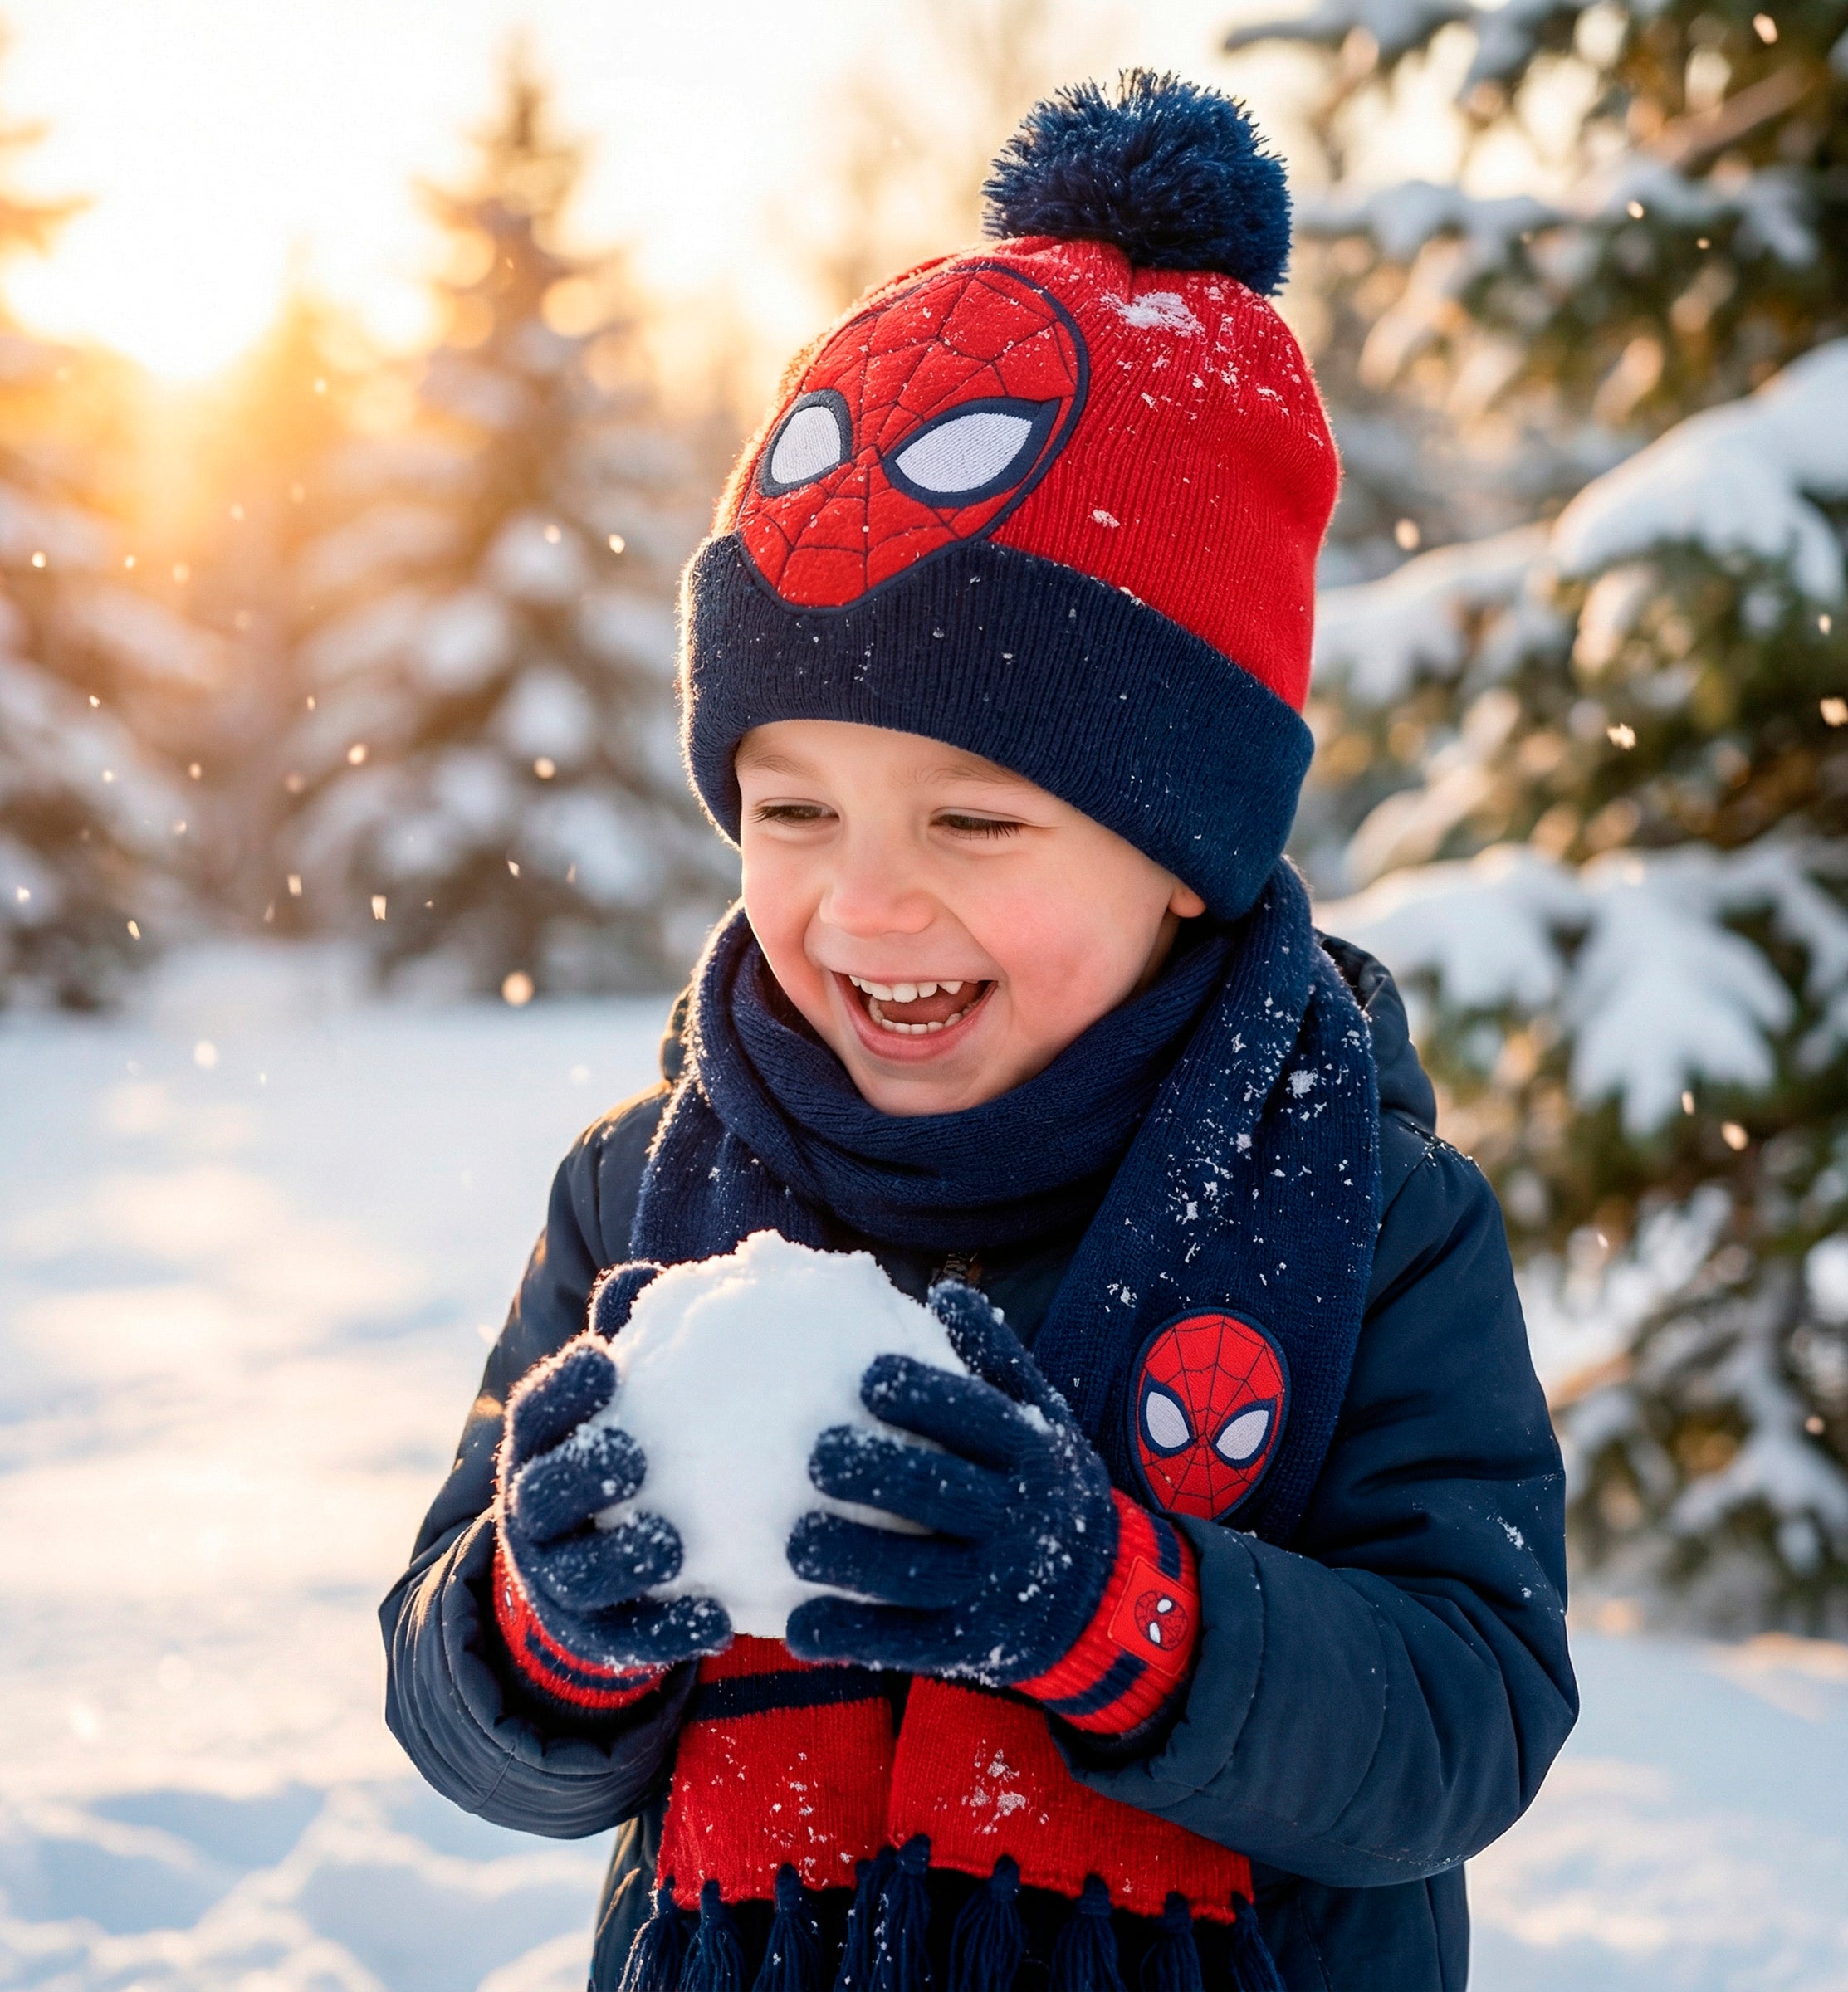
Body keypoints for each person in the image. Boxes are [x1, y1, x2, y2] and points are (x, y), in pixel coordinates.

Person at [381, 71, 1576, 1992]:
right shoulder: (646, 1192)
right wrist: (546, 1620)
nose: (866, 902)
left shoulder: (1368, 1212)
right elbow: (456, 1699)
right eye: (793, 811)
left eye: (974, 818)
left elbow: (1467, 1717)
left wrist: (1118, 1612)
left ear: (1185, 854)